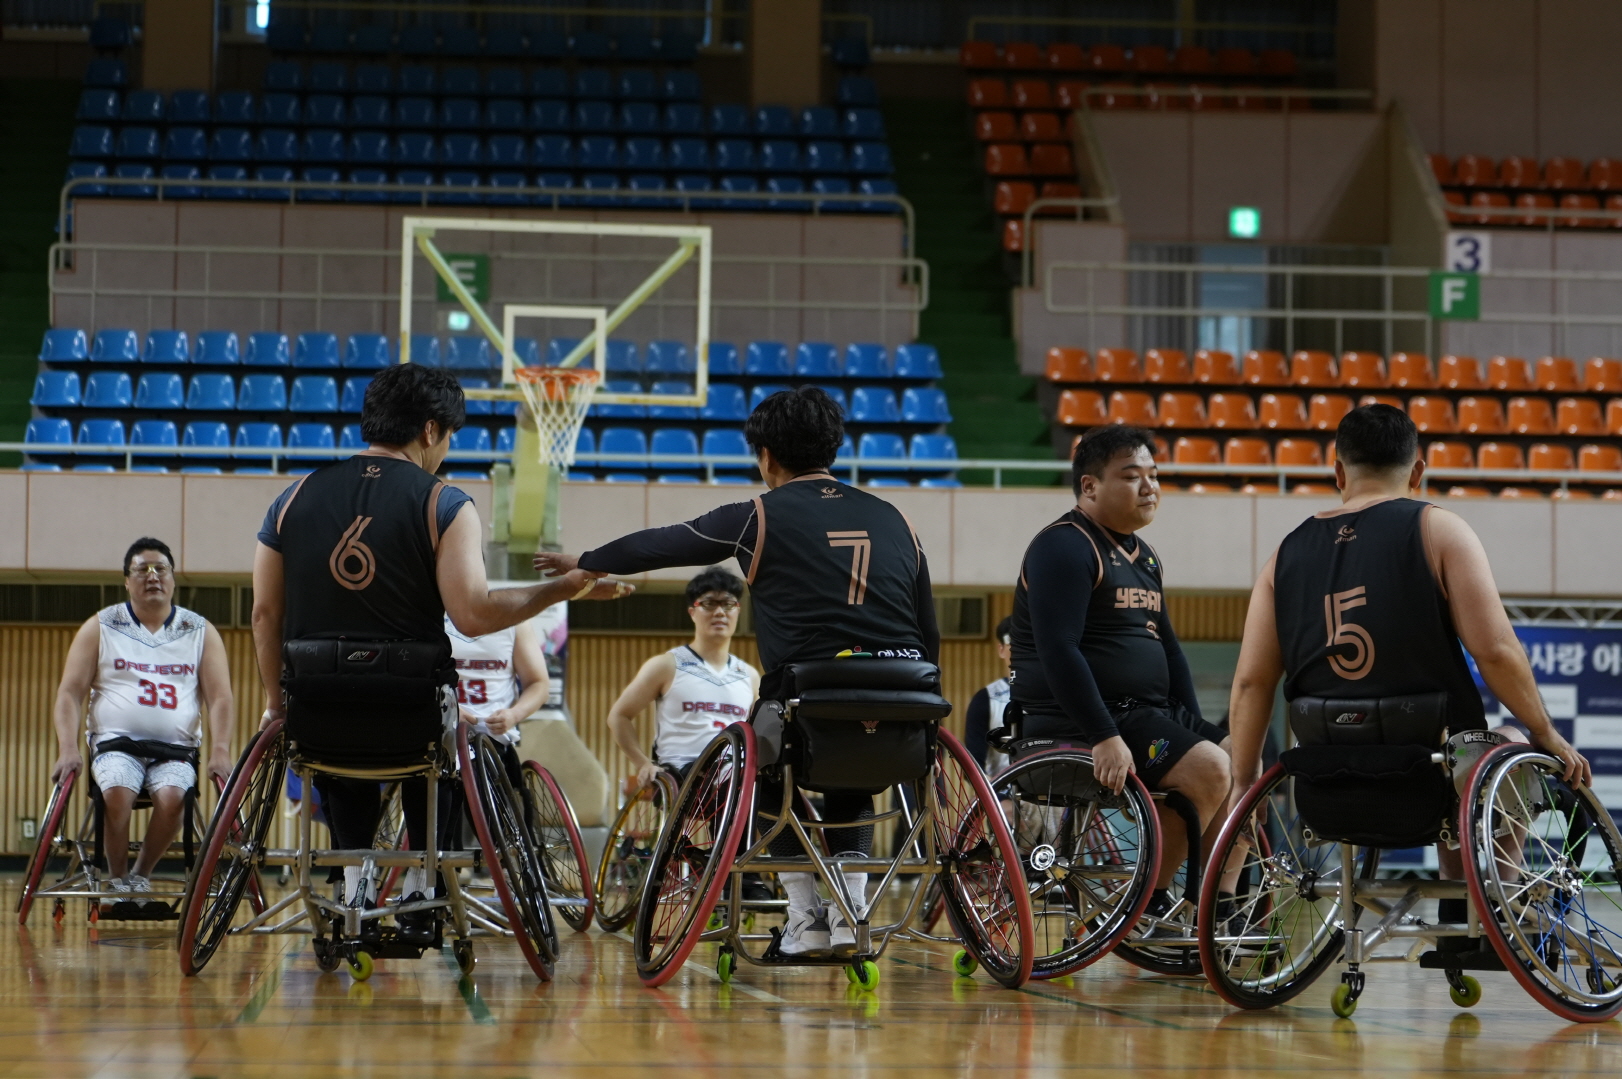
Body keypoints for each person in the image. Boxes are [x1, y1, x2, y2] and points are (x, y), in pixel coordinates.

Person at [535, 386, 939, 957]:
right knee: (854, 781)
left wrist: (587, 560)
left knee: (759, 776)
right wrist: (927, 699)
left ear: (766, 457)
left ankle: (804, 919)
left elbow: (665, 544)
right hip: (907, 697)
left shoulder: (758, 515)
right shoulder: (898, 519)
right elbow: (928, 626)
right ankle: (853, 916)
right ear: (834, 447)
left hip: (807, 695)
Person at [251, 362, 630, 933]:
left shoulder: (291, 497)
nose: (447, 449)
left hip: (316, 698)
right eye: (449, 436)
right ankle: (422, 887)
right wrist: (563, 586)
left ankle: (354, 886)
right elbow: (474, 614)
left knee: (336, 746)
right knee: (436, 747)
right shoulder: (444, 503)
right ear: (430, 430)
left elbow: (264, 614)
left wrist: (277, 705)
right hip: (411, 704)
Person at [1226, 403, 1589, 938]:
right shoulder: (1440, 530)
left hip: (1327, 784)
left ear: (1338, 472)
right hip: (1431, 778)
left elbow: (1252, 681)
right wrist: (1544, 732)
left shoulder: (1284, 553)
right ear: (1418, 471)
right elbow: (1496, 651)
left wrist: (1243, 780)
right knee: (1505, 746)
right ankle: (1496, 907)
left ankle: (1461, 905)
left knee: (1458, 749)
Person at [1007, 425, 1231, 917]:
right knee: (1212, 769)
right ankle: (1144, 906)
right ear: (1090, 487)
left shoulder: (1145, 556)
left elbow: (1168, 648)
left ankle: (1219, 904)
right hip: (1080, 720)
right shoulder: (1063, 547)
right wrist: (1103, 734)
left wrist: (1192, 725)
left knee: (1239, 760)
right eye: (1132, 476)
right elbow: (1058, 650)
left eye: (1154, 475)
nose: (1149, 486)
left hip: (1145, 715)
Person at [50, 538, 234, 901]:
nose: (152, 576)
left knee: (174, 795)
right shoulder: (101, 625)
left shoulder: (199, 630)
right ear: (127, 581)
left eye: (160, 568)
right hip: (115, 744)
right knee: (117, 791)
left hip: (176, 750)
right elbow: (69, 693)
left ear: (173, 578)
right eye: (142, 569)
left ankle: (140, 874)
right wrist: (67, 748)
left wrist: (222, 749)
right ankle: (118, 879)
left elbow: (221, 697)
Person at [604, 566, 760, 788]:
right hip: (682, 772)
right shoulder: (667, 665)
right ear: (692, 612)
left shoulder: (749, 675)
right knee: (732, 782)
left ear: (738, 610)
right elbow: (618, 716)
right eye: (709, 603)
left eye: (728, 604)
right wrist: (643, 764)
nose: (719, 612)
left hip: (734, 772)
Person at [963, 616, 1014, 774]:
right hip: (999, 793)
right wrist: (998, 798)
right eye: (1013, 644)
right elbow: (973, 766)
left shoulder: (1055, 694)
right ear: (1001, 649)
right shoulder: (986, 698)